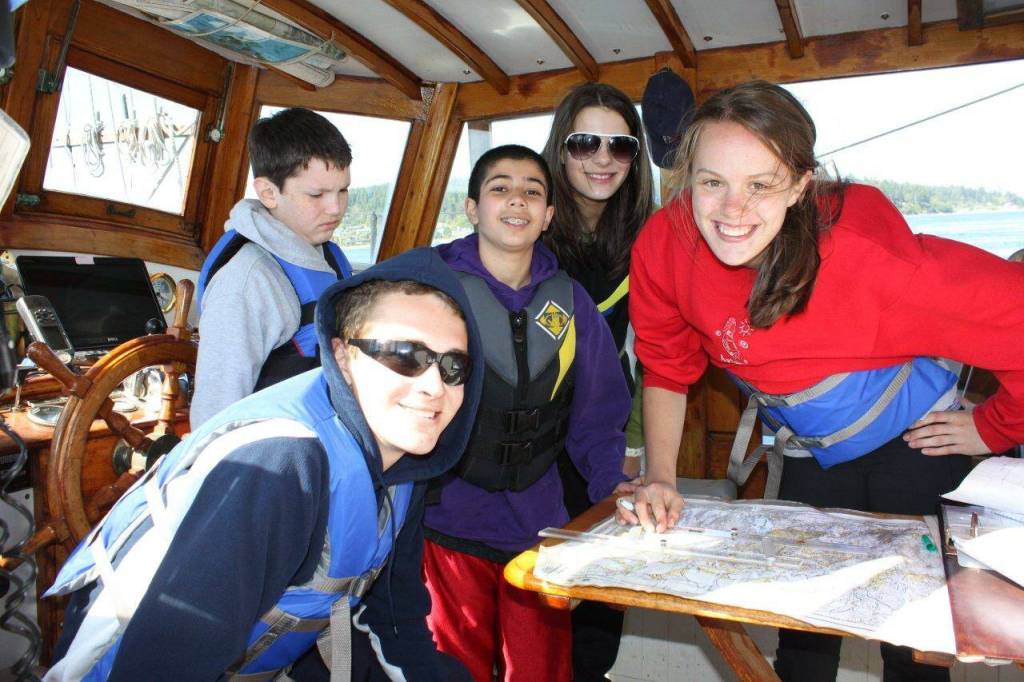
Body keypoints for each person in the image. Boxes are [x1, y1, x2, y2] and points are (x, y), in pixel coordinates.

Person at [622, 79, 1024, 682]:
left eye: (760, 184)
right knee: (803, 625)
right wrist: (659, 475)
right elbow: (666, 363)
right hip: (809, 448)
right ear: (686, 179)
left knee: (913, 636)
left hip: (914, 446)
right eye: (712, 182)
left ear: (801, 185)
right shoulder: (663, 245)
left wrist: (993, 427)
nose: (732, 211)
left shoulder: (873, 260)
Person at [44, 247, 483, 681]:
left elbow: (395, 616)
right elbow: (162, 660)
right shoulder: (279, 468)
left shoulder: (404, 468)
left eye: (453, 366)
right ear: (343, 357)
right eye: (404, 354)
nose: (433, 386)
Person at [422, 144, 633, 681]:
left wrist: (613, 487)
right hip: (448, 526)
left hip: (538, 530)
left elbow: (598, 413)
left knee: (540, 672)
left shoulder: (572, 302)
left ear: (548, 216)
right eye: (500, 188)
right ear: (472, 209)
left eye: (532, 192)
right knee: (452, 672)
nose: (516, 200)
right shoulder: (432, 289)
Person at [539, 81, 655, 681]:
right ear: (562, 149)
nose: (603, 158)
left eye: (621, 145)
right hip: (531, 440)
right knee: (537, 596)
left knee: (601, 594)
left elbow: (654, 357)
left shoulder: (648, 244)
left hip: (605, 438)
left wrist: (635, 449)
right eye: (585, 142)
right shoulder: (529, 232)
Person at [192, 107, 354, 429]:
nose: (336, 208)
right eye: (317, 194)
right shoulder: (247, 281)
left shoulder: (329, 256)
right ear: (268, 193)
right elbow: (215, 414)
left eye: (343, 190)